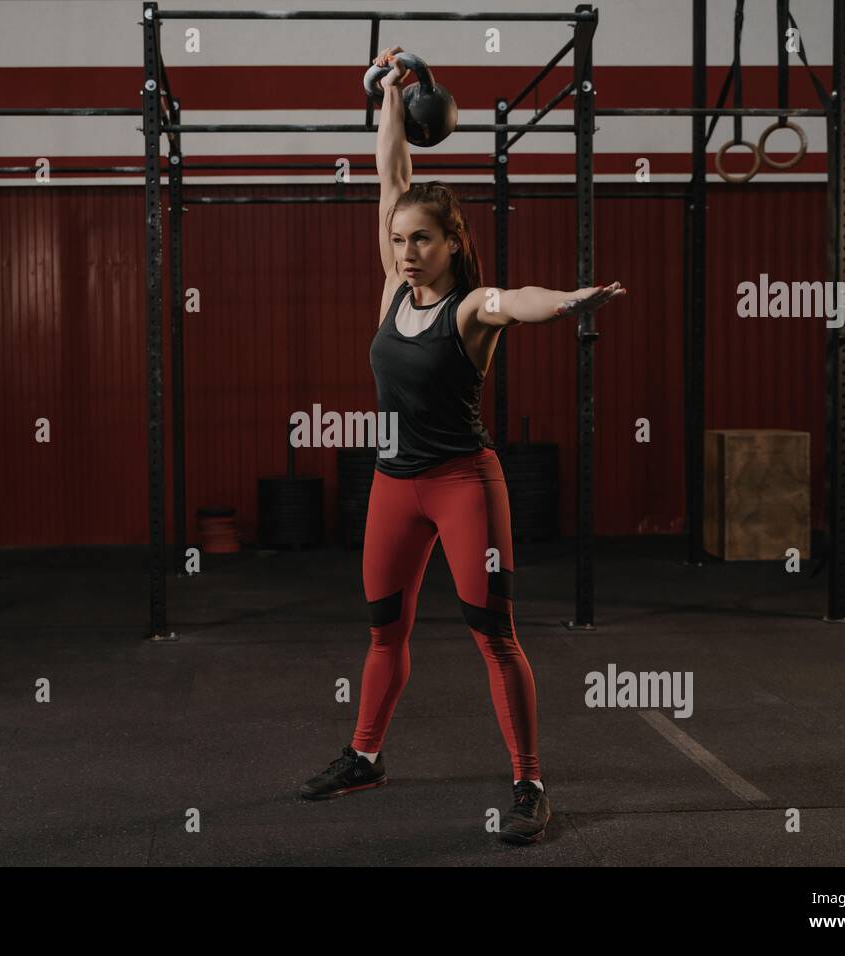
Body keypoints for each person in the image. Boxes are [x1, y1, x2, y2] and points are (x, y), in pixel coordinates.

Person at [299, 47, 627, 845]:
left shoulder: (472, 306)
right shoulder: (392, 288)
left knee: (494, 633)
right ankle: (366, 755)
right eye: (401, 239)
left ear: (451, 243)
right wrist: (389, 93)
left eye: (421, 241)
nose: (406, 251)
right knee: (384, 630)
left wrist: (573, 299)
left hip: (461, 483)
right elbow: (390, 178)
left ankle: (528, 783)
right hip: (392, 486)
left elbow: (522, 300)